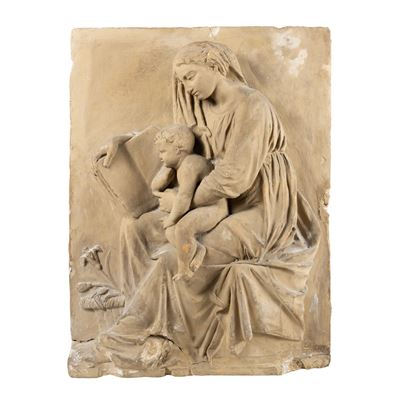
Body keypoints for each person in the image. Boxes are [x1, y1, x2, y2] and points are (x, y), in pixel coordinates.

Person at [78, 41, 321, 373]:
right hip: (210, 199)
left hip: (259, 208)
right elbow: (178, 138)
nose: (187, 87)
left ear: (215, 66)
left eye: (191, 76)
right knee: (135, 229)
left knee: (177, 255)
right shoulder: (201, 106)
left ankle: (121, 341)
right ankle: (145, 320)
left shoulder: (252, 106)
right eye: (183, 80)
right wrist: (122, 141)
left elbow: (235, 177)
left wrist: (183, 200)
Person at [151, 124, 228, 280]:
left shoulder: (190, 164)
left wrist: (172, 218)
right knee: (170, 231)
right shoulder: (180, 166)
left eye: (163, 151)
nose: (160, 156)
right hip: (200, 208)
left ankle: (184, 269)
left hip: (214, 208)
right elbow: (155, 186)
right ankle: (198, 249)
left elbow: (184, 197)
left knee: (182, 228)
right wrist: (167, 168)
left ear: (178, 150)